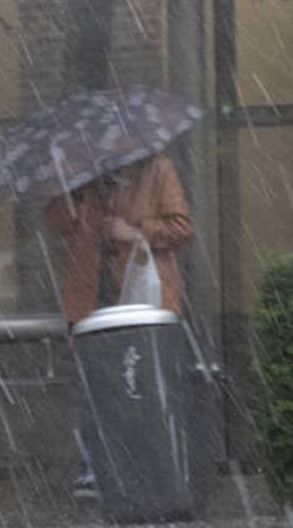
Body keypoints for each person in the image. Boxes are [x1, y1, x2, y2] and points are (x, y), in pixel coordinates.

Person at [43, 151, 194, 496]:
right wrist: (71, 187)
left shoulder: (156, 167)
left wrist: (135, 231)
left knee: (140, 383)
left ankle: (148, 466)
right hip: (90, 296)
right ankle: (93, 467)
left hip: (141, 295)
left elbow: (181, 228)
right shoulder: (82, 171)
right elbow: (58, 224)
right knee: (93, 385)